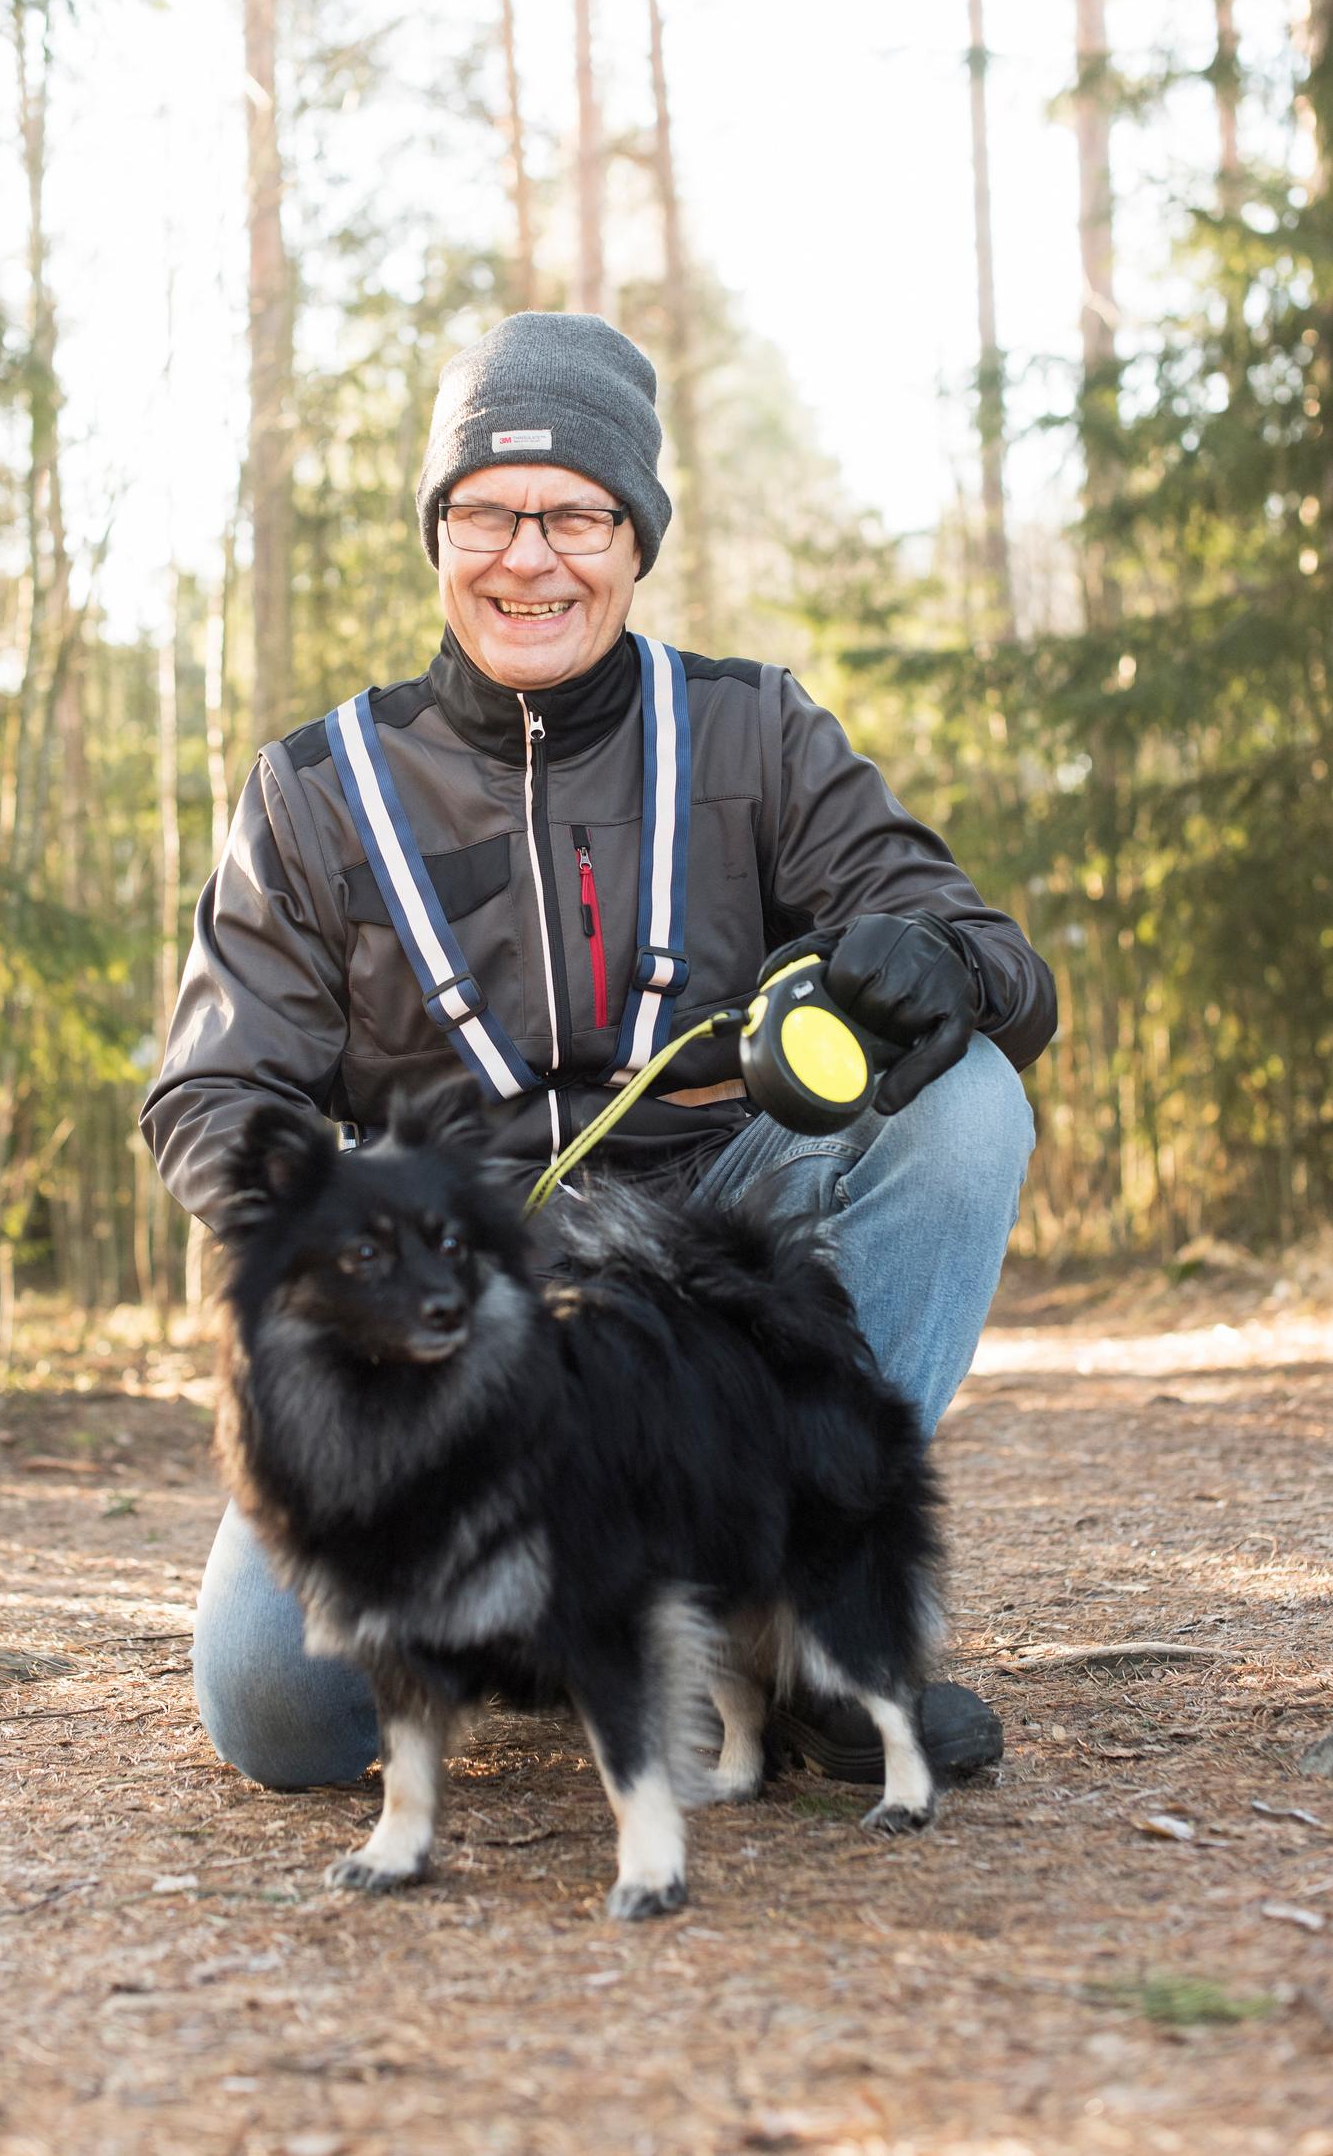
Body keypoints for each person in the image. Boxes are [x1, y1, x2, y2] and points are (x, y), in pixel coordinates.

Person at [142, 310, 1055, 1795]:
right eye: (487, 513)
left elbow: (994, 961)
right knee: (276, 1715)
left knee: (962, 1102)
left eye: (576, 513)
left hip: (712, 1285)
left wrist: (933, 958)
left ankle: (800, 1619)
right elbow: (207, 1090)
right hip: (444, 1322)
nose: (530, 556)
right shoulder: (310, 794)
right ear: (434, 535)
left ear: (637, 540)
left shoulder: (754, 734)